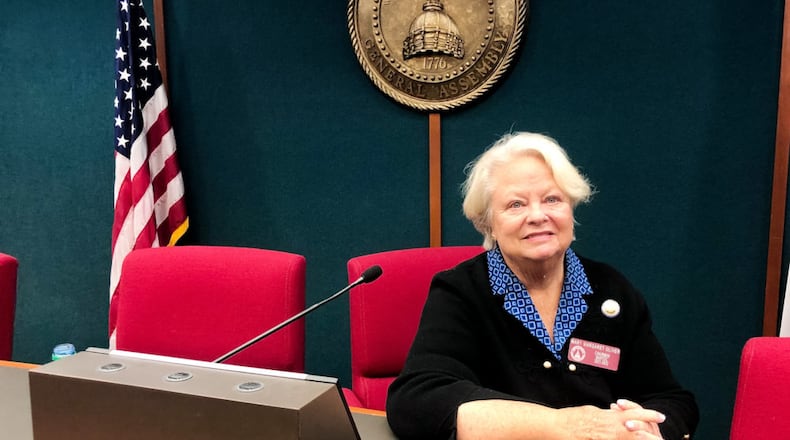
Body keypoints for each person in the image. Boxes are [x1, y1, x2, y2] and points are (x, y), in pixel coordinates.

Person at [386, 132, 698, 439]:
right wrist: (565, 427)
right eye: (516, 205)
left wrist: (646, 430)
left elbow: (672, 400)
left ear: (571, 210)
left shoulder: (612, 290)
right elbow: (416, 401)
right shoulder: (462, 292)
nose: (538, 215)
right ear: (488, 223)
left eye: (552, 199)